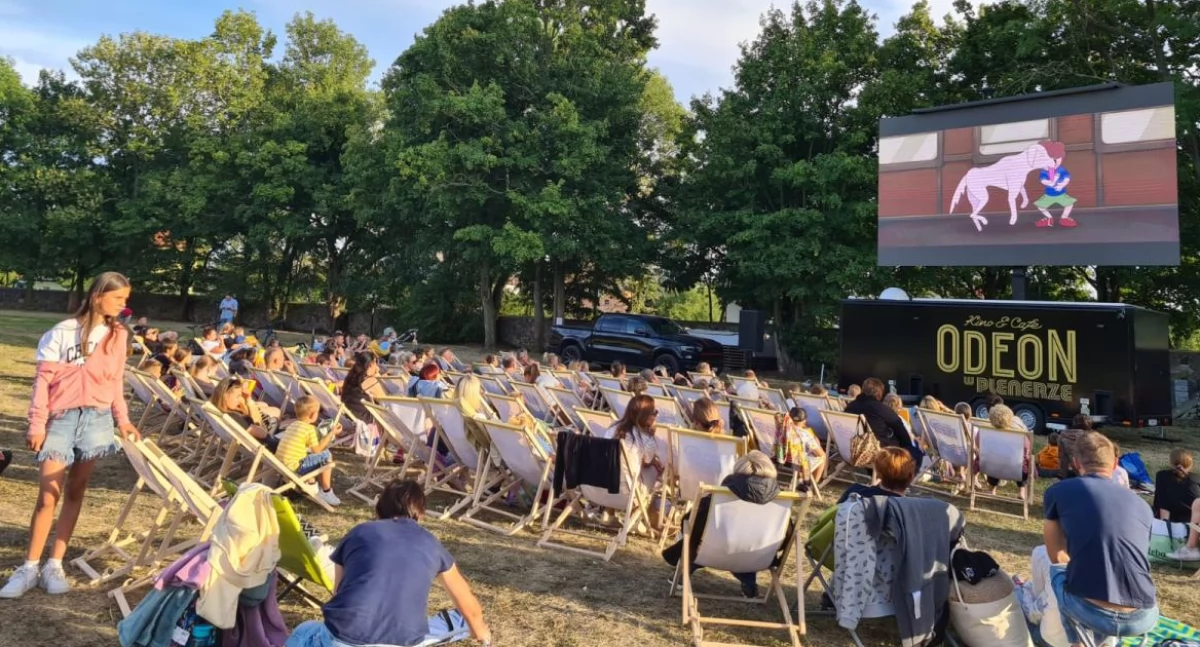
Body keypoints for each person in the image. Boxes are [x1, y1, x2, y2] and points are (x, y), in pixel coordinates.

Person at [1, 272, 141, 599]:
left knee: (76, 492)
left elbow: (115, 382)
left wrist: (123, 420)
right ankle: (29, 566)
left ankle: (55, 564)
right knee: (47, 496)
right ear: (97, 297)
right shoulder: (61, 334)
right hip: (60, 421)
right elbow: (42, 385)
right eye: (118, 298)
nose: (124, 305)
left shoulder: (117, 336)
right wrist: (36, 424)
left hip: (96, 420)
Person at [286, 480, 492, 647]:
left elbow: (339, 590)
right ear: (419, 513)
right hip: (404, 639)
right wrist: (480, 632)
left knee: (306, 630)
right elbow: (465, 599)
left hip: (345, 636)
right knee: (458, 620)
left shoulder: (359, 532)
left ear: (380, 507)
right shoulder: (431, 543)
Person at [1041, 432, 1158, 646]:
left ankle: (1075, 641)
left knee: (1050, 564)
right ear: (1115, 464)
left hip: (1090, 611)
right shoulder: (1142, 506)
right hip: (1143, 615)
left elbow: (1055, 554)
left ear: (1076, 463)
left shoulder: (1059, 491)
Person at [661, 451, 789, 599]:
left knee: (693, 537)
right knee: (744, 541)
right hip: (754, 557)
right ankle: (749, 582)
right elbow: (786, 535)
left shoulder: (718, 498)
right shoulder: (782, 504)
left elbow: (689, 523)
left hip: (709, 552)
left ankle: (684, 571)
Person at [275, 395, 340, 506]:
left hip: (280, 463)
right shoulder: (309, 430)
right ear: (312, 415)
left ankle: (311, 483)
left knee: (308, 455)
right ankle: (326, 491)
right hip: (295, 466)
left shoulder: (293, 425)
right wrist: (332, 433)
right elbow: (318, 450)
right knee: (326, 454)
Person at [843, 377, 918, 465]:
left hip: (848, 448)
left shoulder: (850, 407)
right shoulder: (881, 409)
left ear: (862, 390)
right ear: (879, 395)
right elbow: (902, 432)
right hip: (872, 452)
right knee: (907, 446)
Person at [211, 376, 281, 451]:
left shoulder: (222, 413)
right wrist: (249, 400)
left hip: (256, 446)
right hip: (273, 447)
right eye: (238, 396)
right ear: (225, 396)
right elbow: (260, 427)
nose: (240, 399)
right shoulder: (234, 418)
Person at [1157, 449, 1200, 561]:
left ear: (1171, 463)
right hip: (1192, 525)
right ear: (1190, 465)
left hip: (1171, 524)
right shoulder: (1196, 480)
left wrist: (1163, 527)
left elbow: (1163, 505)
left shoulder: (1161, 476)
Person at [837, 446, 915, 504]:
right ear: (911, 477)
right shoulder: (911, 509)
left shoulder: (855, 492)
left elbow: (835, 517)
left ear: (878, 474)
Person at [1033, 141, 1078, 228]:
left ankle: (1064, 218)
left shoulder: (1061, 170)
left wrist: (1062, 185)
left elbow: (1067, 178)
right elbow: (1043, 181)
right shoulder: (1044, 171)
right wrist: (1051, 183)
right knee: (1040, 207)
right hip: (1049, 195)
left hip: (1061, 194)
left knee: (1069, 204)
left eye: (1055, 159)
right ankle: (1049, 218)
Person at [341, 351, 386, 422]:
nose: (377, 367)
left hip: (349, 416)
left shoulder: (350, 377)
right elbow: (385, 401)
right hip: (366, 421)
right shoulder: (371, 381)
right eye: (376, 363)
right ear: (371, 364)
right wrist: (377, 375)